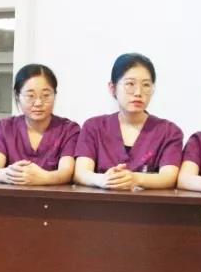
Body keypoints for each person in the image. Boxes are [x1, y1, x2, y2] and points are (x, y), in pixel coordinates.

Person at [73, 53, 183, 190]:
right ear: (112, 88)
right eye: (130, 84)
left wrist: (135, 179)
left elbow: (169, 177)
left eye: (146, 85)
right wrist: (102, 179)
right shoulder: (94, 127)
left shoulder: (169, 131)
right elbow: (81, 173)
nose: (138, 93)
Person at [0, 64, 79, 185]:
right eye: (30, 96)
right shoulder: (5, 128)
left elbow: (67, 172)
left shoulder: (68, 130)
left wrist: (44, 178)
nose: (38, 103)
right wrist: (9, 174)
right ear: (17, 96)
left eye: (46, 95)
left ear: (55, 95)